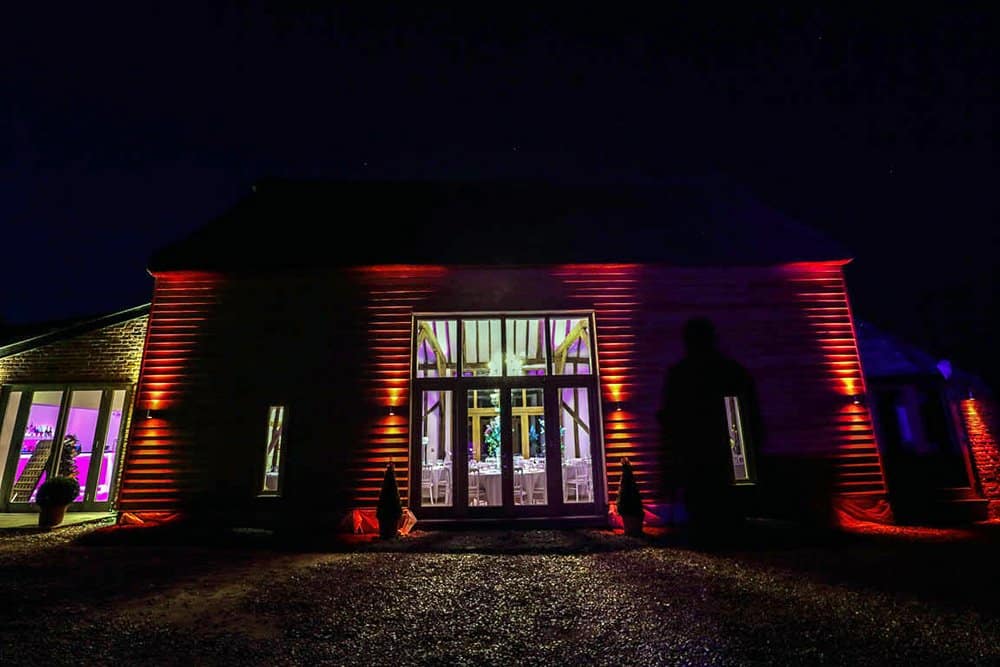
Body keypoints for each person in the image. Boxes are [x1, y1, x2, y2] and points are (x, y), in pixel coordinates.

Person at [658, 317, 762, 547]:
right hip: (724, 452)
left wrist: (671, 457)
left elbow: (671, 417)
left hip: (697, 452)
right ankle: (727, 539)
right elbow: (750, 414)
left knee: (702, 500)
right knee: (722, 501)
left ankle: (708, 539)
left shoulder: (681, 374)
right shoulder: (731, 371)